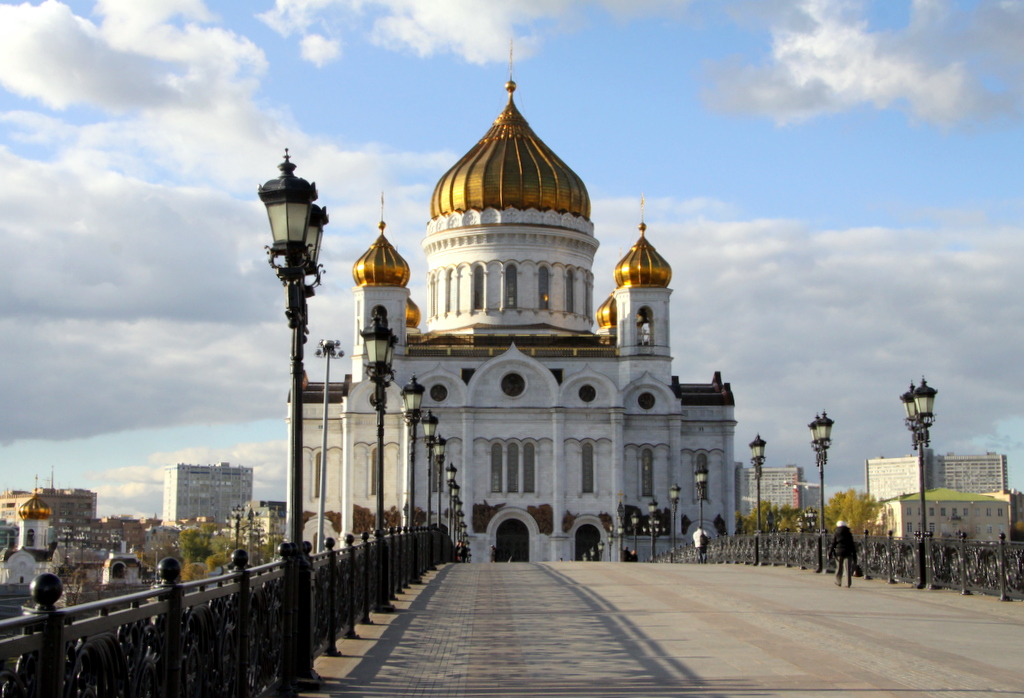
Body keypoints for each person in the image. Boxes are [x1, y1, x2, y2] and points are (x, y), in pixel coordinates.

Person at [830, 520, 857, 587]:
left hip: (839, 552)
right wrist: (854, 555)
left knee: (839, 567)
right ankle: (848, 583)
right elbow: (852, 544)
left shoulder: (836, 533)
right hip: (848, 552)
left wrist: (830, 552)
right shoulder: (849, 533)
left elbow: (833, 543)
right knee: (847, 568)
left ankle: (838, 581)